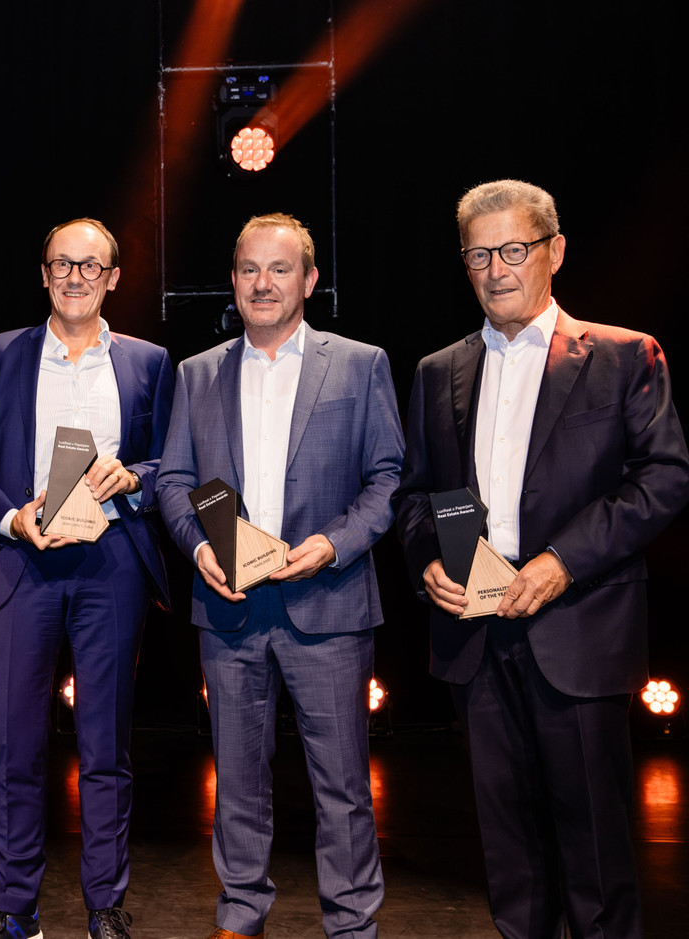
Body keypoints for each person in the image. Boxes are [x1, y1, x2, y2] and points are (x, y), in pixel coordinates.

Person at [392, 179, 689, 939]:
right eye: (479, 254)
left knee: (593, 848)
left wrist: (560, 560)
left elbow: (664, 478)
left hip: (578, 627)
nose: (497, 268)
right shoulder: (436, 371)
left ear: (554, 251)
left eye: (513, 250)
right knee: (508, 850)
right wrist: (429, 557)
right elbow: (421, 495)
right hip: (476, 635)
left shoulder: (624, 355)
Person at [156, 213, 402, 939]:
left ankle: (353, 924)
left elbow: (387, 479)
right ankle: (240, 916)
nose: (264, 283)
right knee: (236, 782)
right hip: (229, 608)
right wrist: (199, 547)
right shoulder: (196, 372)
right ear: (233, 280)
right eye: (249, 269)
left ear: (310, 279)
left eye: (280, 268)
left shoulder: (360, 364)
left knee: (344, 789)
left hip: (328, 603)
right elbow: (174, 481)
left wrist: (332, 543)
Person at [0, 218, 173, 939]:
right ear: (43, 274)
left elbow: (174, 465)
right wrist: (11, 517)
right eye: (62, 264)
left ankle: (105, 907)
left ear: (114, 277)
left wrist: (133, 475)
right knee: (16, 746)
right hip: (20, 563)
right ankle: (14, 910)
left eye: (91, 265)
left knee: (106, 746)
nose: (76, 276)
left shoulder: (149, 362)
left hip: (112, 565)